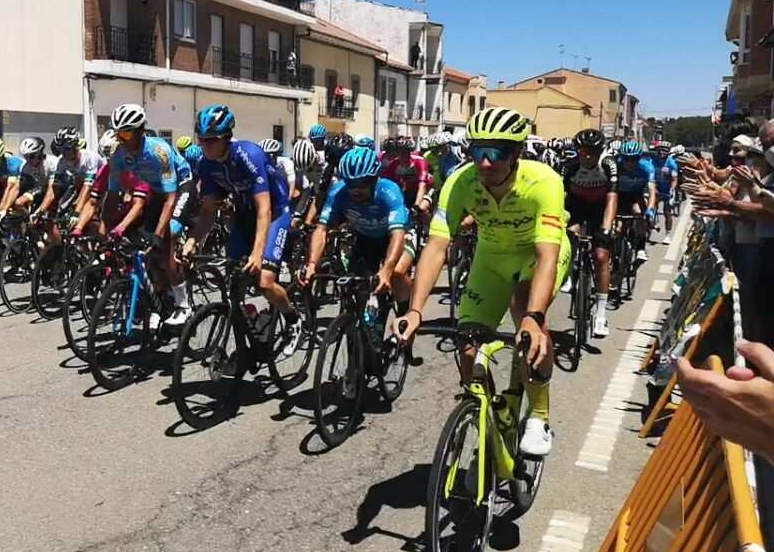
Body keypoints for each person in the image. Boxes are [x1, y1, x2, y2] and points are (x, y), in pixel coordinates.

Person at [396, 107, 570, 457]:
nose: (486, 162)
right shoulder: (461, 182)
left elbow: (547, 255)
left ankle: (539, 415)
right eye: (478, 151)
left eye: (498, 152)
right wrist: (414, 311)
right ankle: (490, 417)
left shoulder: (544, 181)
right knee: (467, 343)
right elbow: (437, 247)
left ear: (517, 153)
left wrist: (534, 318)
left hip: (535, 256)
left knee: (524, 308)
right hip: (491, 260)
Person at [183, 104, 301, 357]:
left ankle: (293, 319)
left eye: (211, 140)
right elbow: (208, 212)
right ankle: (250, 331)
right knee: (234, 279)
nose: (205, 146)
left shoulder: (249, 154)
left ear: (226, 137)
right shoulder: (207, 165)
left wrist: (257, 254)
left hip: (275, 213)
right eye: (201, 140)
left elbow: (264, 209)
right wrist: (192, 241)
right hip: (244, 214)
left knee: (264, 280)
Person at [301, 148, 412, 359]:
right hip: (366, 238)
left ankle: (406, 314)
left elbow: (397, 234)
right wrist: (312, 264)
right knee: (358, 287)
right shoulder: (338, 192)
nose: (355, 190)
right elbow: (321, 230)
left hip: (398, 236)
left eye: (362, 184)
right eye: (350, 184)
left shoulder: (389, 191)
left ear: (374, 179)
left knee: (396, 273)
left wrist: (386, 270)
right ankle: (365, 339)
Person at [104, 104, 195, 325]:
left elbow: (170, 198)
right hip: (156, 191)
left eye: (126, 134)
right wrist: (107, 230)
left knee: (167, 239)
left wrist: (159, 235)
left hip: (181, 188)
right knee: (149, 254)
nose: (121, 139)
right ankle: (162, 296)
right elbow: (112, 196)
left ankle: (184, 304)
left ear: (140, 131)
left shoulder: (158, 151)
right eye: (118, 133)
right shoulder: (118, 154)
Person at [560, 128, 617, 339]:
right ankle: (569, 271)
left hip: (600, 208)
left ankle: (601, 314)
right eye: (583, 152)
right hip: (576, 206)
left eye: (592, 152)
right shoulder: (569, 166)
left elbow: (612, 198)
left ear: (600, 151)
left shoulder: (608, 164)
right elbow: (560, 196)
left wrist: (606, 229)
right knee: (568, 235)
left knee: (601, 256)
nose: (587, 156)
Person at [615, 140, 658, 263]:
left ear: (639, 158)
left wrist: (650, 210)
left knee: (639, 215)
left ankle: (640, 248)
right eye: (626, 159)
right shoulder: (616, 166)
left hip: (636, 196)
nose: (630, 162)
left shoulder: (647, 167)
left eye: (634, 159)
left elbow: (652, 191)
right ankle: (616, 253)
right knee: (618, 228)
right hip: (619, 196)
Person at [654, 142, 679, 244]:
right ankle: (653, 222)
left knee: (667, 212)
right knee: (651, 208)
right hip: (656, 188)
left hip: (668, 190)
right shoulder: (653, 161)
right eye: (659, 150)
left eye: (664, 150)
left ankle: (668, 234)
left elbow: (674, 179)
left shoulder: (671, 163)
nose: (661, 152)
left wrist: (672, 190)